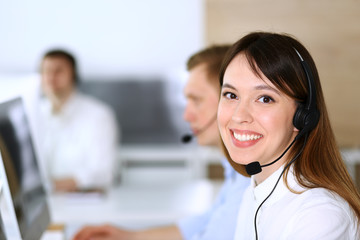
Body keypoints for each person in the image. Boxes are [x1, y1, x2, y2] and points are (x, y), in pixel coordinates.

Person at [73, 46, 250, 240]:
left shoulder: (249, 180)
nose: (186, 115)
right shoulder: (235, 170)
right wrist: (128, 236)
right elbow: (208, 221)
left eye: (196, 100)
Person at [217, 31, 360, 239]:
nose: (239, 116)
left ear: (303, 116)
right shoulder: (253, 193)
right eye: (231, 95)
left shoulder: (320, 216)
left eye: (265, 98)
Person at [37, 49, 119, 192]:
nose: (51, 77)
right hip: (39, 205)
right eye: (45, 71)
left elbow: (104, 173)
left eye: (59, 71)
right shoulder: (34, 113)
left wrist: (49, 187)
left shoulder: (98, 115)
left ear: (73, 75)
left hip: (83, 206)